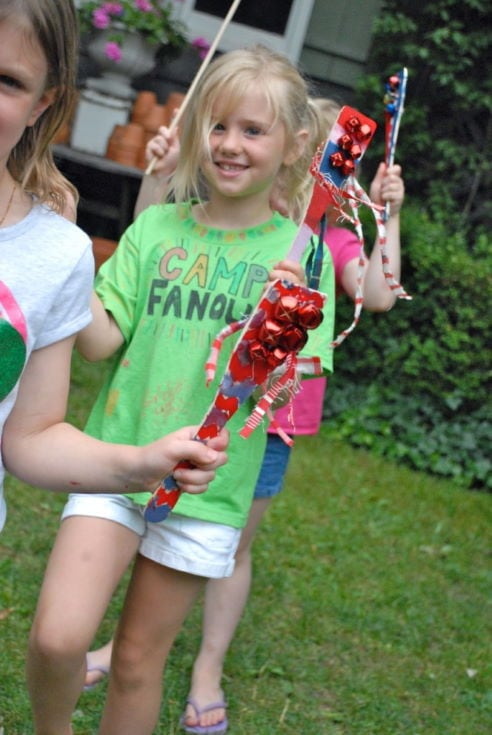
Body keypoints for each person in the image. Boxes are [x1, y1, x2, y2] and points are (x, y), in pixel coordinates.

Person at [26, 45, 335, 735]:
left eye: (253, 130)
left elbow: (283, 397)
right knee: (57, 637)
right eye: (217, 125)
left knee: (136, 661)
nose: (229, 144)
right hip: (112, 462)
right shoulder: (157, 229)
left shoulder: (301, 262)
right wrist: (65, 252)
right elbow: (101, 339)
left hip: (205, 491)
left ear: (293, 146)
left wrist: (278, 330)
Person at [84, 97, 406, 732]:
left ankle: (206, 666)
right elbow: (146, 261)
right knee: (143, 521)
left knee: (226, 547)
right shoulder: (227, 215)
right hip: (178, 409)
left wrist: (388, 213)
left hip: (265, 426)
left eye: (323, 156)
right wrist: (159, 174)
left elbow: (379, 294)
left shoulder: (321, 237)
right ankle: (127, 646)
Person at [0, 0, 226, 549]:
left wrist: (139, 463)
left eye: (7, 81)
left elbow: (29, 437)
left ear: (41, 104)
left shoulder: (57, 253)